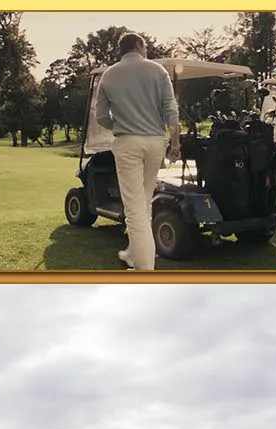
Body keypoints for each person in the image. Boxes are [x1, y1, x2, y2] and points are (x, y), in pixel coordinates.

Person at [92, 33, 180, 270]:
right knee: (144, 204)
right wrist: (176, 143)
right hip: (155, 142)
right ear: (140, 46)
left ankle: (144, 269)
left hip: (128, 143)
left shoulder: (109, 74)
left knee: (134, 210)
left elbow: (100, 117)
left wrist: (119, 125)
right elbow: (171, 110)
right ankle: (136, 253)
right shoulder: (158, 70)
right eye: (146, 46)